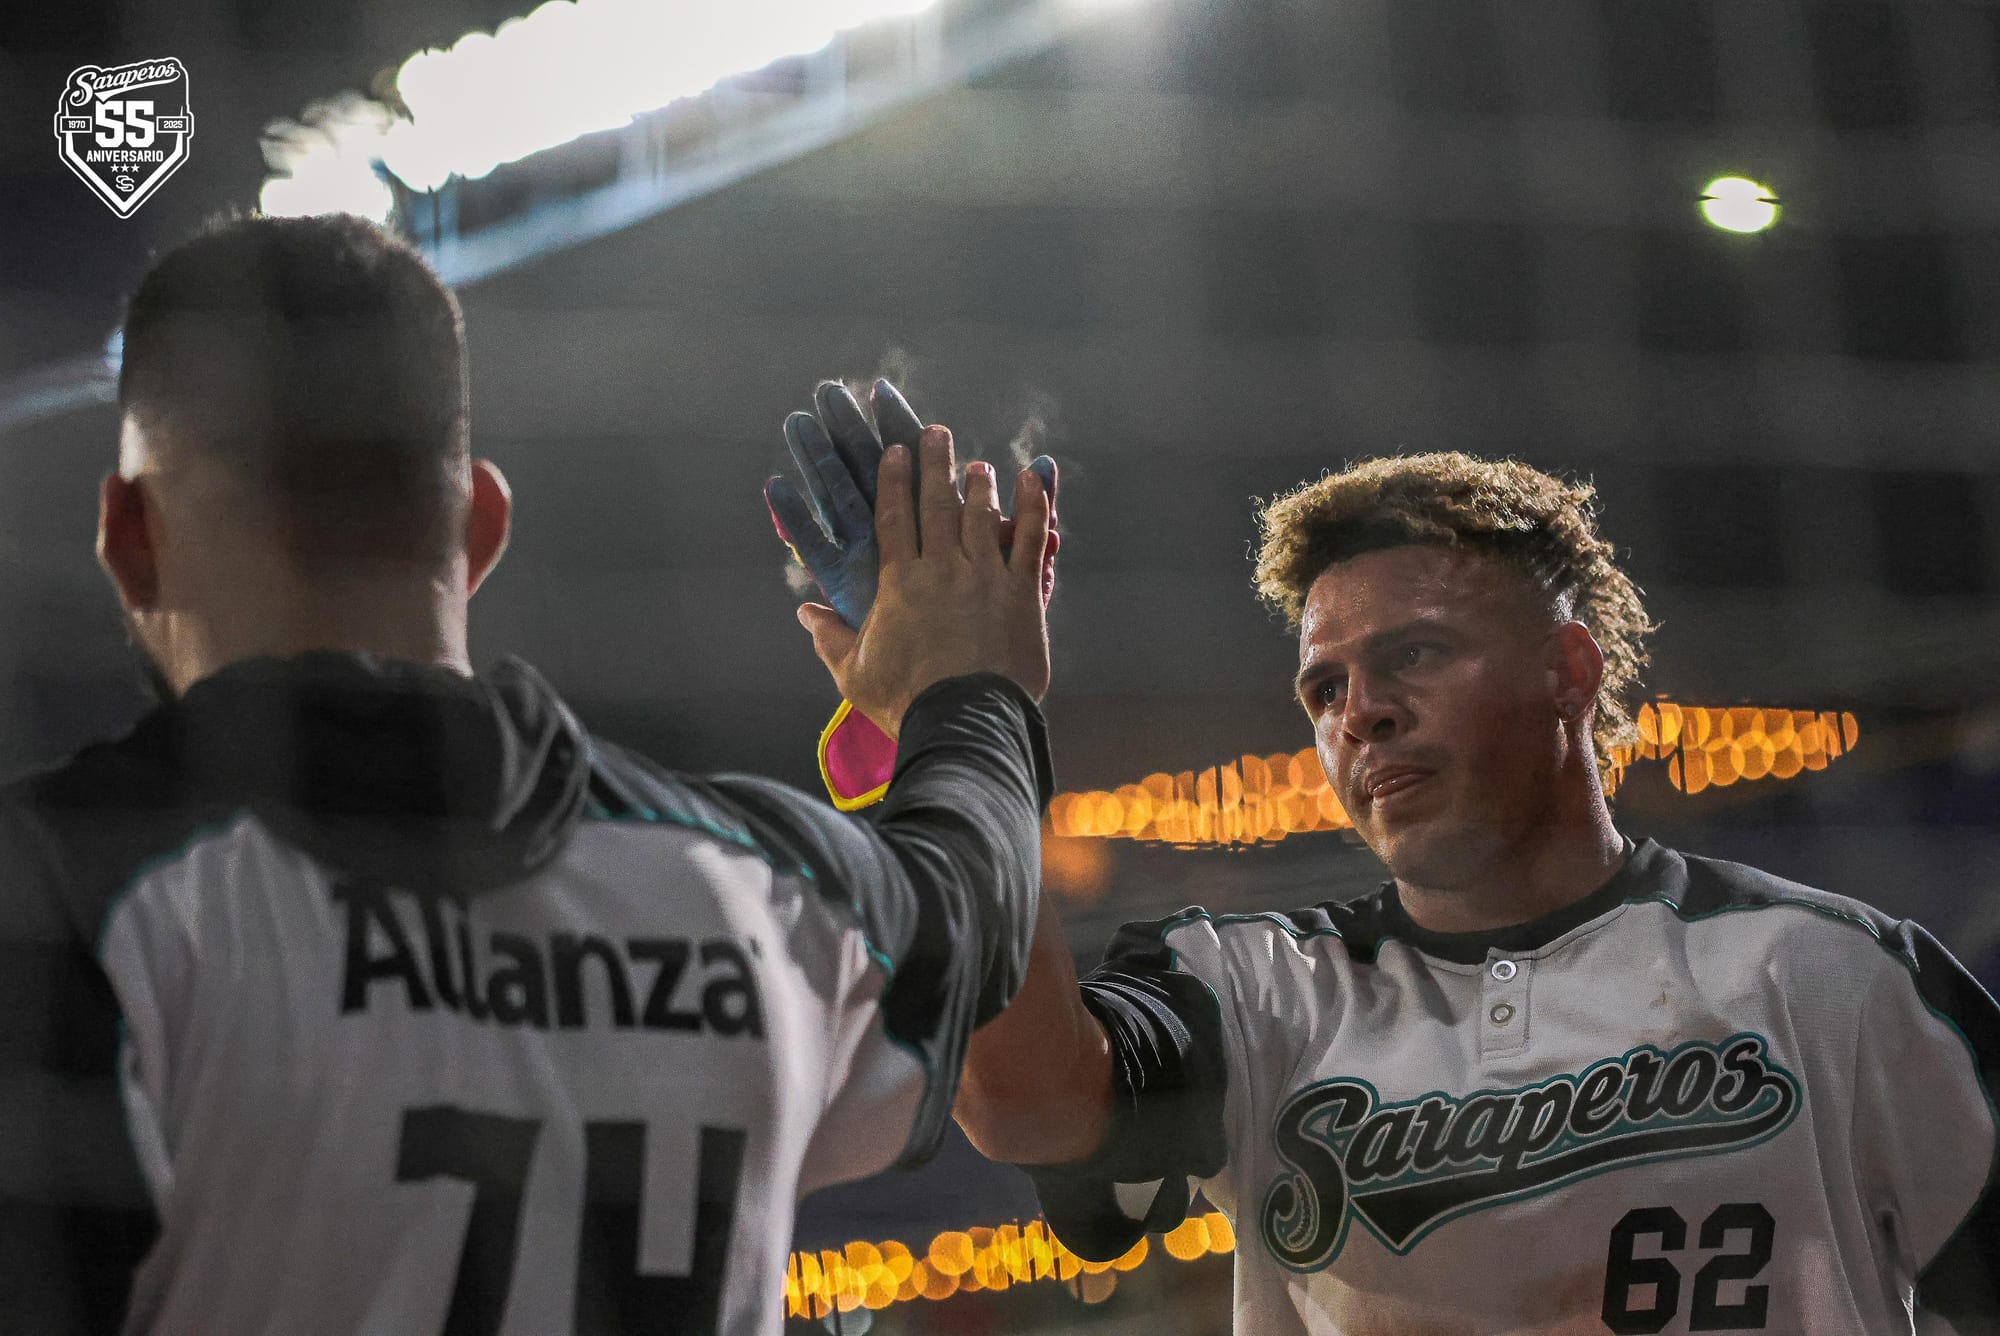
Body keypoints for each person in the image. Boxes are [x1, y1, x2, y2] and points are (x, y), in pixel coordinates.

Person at [0, 213, 1057, 1336]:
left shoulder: (62, 901)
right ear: (482, 525)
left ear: (127, 536)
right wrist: (963, 689)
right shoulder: (757, 894)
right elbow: (972, 897)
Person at [805, 447, 2000, 1334]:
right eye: (1322, 690)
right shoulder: (1256, 994)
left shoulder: (1827, 979)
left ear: (1567, 668)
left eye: (1414, 654)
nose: (1360, 712)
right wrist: (960, 708)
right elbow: (1021, 1102)